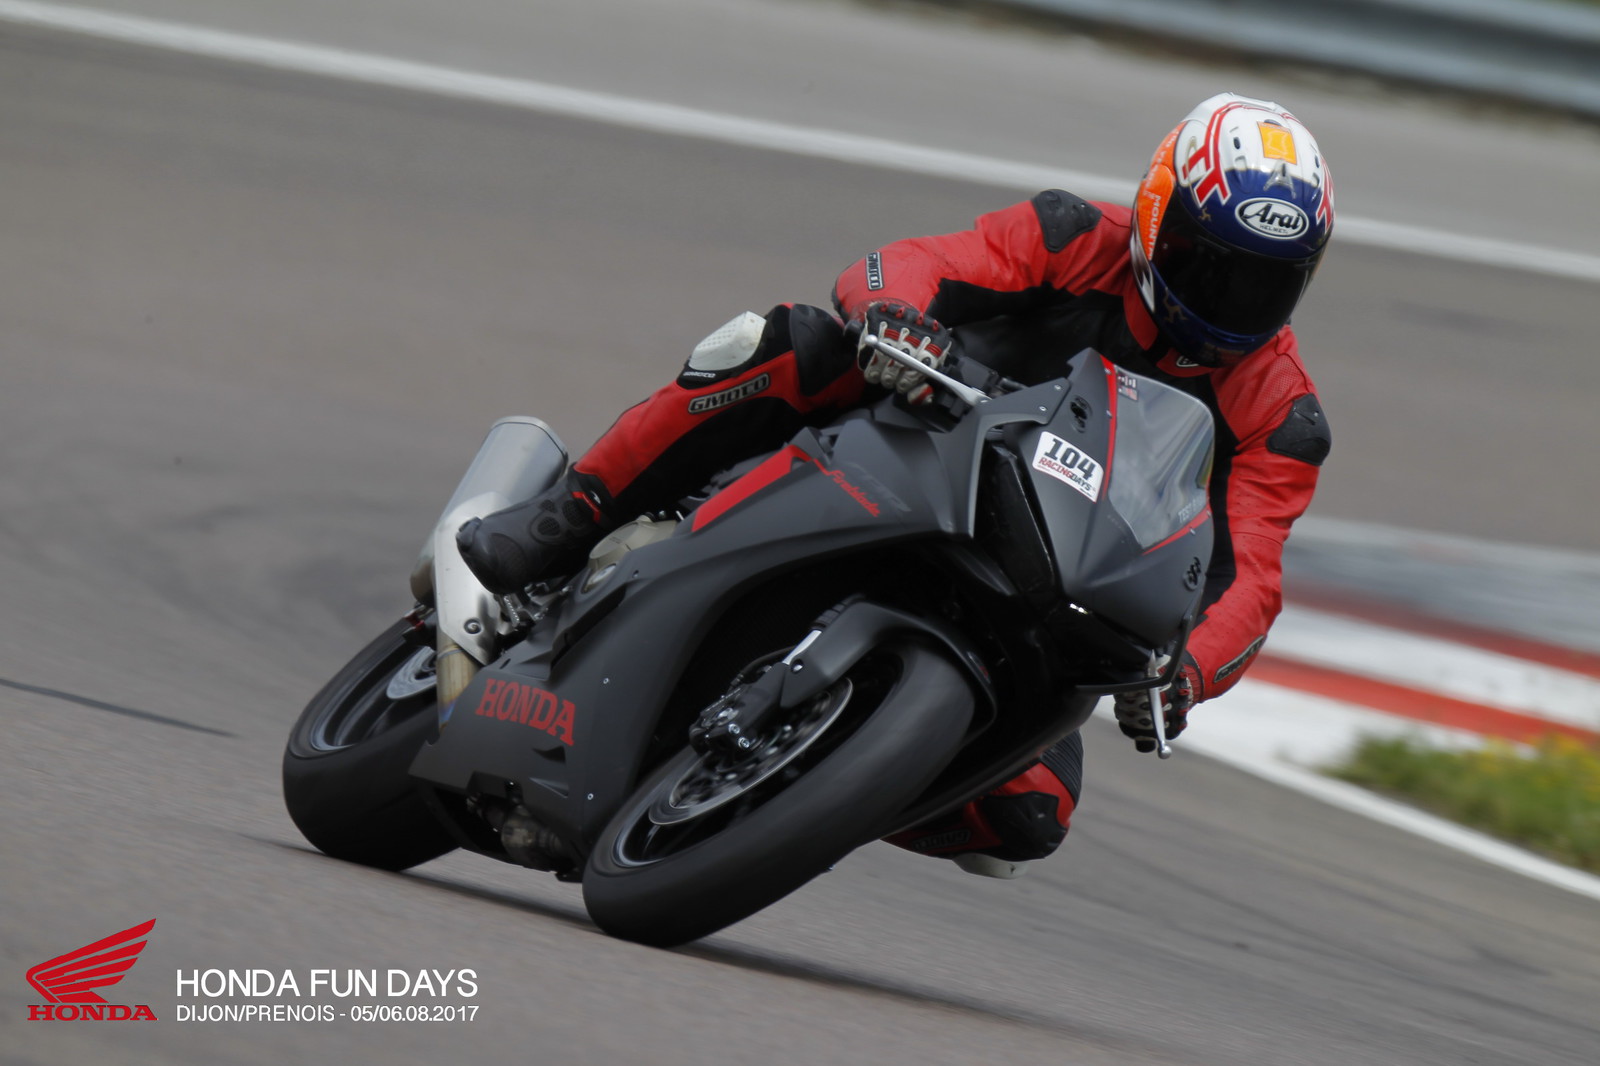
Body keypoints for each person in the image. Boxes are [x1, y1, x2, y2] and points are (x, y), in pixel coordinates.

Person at [456, 92, 1334, 878]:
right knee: (794, 345)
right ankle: (570, 514)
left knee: (1030, 813)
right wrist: (894, 317)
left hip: (1046, 580)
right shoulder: (1072, 238)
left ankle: (809, 785)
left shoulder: (1280, 413)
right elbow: (918, 261)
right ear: (1153, 217)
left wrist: (1186, 675)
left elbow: (1249, 578)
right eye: (1206, 262)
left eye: (1264, 285)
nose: (1228, 300)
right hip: (920, 435)